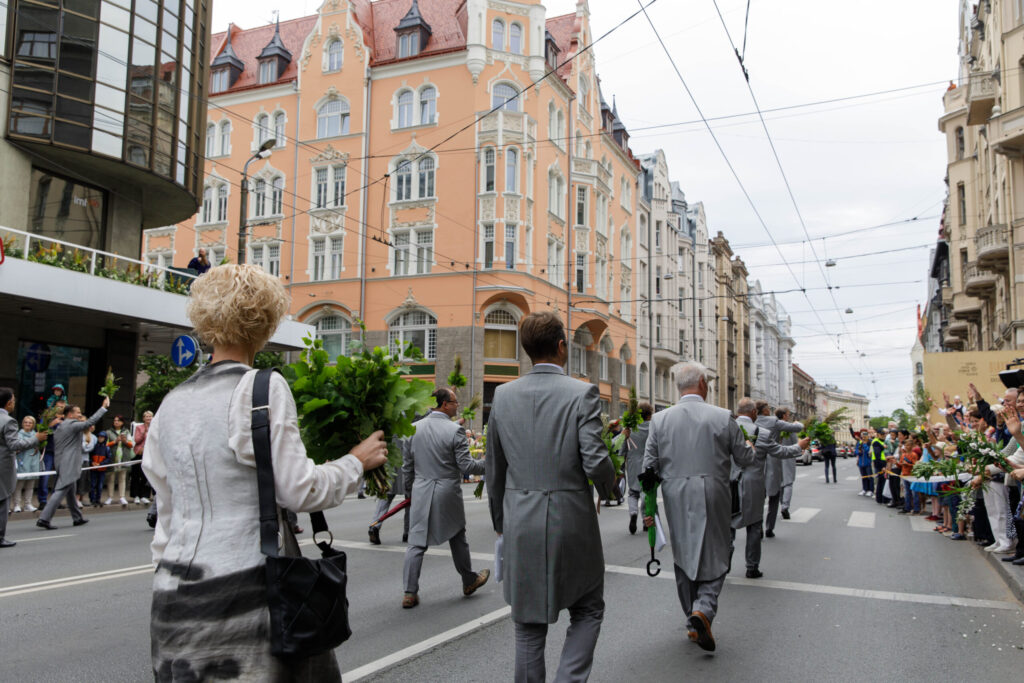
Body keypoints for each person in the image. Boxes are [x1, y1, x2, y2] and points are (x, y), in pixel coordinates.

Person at [143, 264, 388, 681]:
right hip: (247, 594)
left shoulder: (172, 402)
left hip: (173, 598)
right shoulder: (262, 387)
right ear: (266, 322)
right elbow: (300, 491)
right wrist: (355, 463)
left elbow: (165, 512)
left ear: (204, 321)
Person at [486, 311, 616, 681]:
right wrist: (611, 486)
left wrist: (501, 523)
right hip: (571, 516)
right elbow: (595, 460)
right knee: (588, 608)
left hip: (521, 519)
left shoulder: (503, 395)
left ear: (527, 350)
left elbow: (495, 469)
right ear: (562, 347)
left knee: (527, 626)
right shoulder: (582, 392)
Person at [642, 362, 756, 652]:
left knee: (684, 553)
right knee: (719, 550)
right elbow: (744, 458)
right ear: (703, 384)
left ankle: (692, 617)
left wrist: (648, 510)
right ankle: (703, 609)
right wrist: (751, 448)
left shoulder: (660, 419)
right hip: (714, 490)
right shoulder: (722, 416)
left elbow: (648, 468)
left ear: (679, 386)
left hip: (675, 492)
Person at [401, 387, 489, 608]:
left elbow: (407, 468)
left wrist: (410, 491)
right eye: (455, 402)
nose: (457, 405)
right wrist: (491, 463)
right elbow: (467, 466)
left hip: (421, 489)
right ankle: (469, 580)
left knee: (416, 543)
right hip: (447, 490)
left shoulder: (412, 429)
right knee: (457, 536)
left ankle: (409, 592)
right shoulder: (454, 431)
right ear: (444, 404)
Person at [36, 398, 108, 530]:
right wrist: (103, 407)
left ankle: (77, 517)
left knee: (71, 491)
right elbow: (90, 422)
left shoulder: (61, 426)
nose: (80, 414)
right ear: (70, 414)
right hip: (69, 463)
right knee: (60, 491)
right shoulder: (71, 424)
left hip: (62, 462)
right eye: (77, 412)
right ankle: (44, 518)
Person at [1, 388, 49, 547]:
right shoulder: (9, 421)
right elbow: (14, 445)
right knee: (3, 501)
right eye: (13, 400)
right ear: (8, 403)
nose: (14, 403)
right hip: (3, 467)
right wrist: (36, 439)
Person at [763, 406, 807, 535]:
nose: (789, 416)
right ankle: (785, 506)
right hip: (786, 457)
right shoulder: (787, 428)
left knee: (775, 485)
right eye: (788, 414)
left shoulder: (769, 426)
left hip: (772, 458)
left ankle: (779, 507)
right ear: (783, 416)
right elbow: (795, 441)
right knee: (787, 482)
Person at [368, 436, 409, 545]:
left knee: (386, 495)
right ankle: (408, 532)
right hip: (406, 458)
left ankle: (374, 525)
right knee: (410, 498)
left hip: (390, 457)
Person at [622, 401, 654, 535]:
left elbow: (622, 446)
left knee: (632, 493)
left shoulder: (630, 428)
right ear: (649, 415)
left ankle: (633, 512)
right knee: (646, 493)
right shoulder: (653, 427)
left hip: (633, 464)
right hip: (649, 464)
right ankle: (646, 521)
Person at [104, 415, 133, 506]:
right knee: (111, 478)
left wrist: (125, 442)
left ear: (122, 422)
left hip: (123, 457)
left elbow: (131, 445)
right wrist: (115, 442)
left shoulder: (126, 431)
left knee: (122, 478)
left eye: (118, 420)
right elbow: (105, 445)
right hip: (112, 457)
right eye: (115, 420)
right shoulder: (108, 432)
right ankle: (110, 497)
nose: (116, 422)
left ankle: (122, 497)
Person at [130, 411, 153, 504]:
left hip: (150, 453)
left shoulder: (155, 428)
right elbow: (137, 440)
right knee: (136, 475)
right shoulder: (139, 427)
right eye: (146, 416)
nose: (148, 418)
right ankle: (136, 495)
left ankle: (145, 495)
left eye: (150, 416)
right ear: (143, 418)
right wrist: (144, 432)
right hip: (139, 453)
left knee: (146, 475)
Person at [89, 431, 110, 507]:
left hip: (102, 469)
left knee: (100, 485)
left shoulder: (106, 448)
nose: (100, 438)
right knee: (93, 484)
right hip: (94, 469)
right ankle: (92, 499)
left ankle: (98, 499)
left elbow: (108, 459)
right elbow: (90, 457)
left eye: (102, 437)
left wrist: (101, 464)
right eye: (99, 437)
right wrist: (92, 462)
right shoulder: (94, 447)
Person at [851, 428, 873, 496]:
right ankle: (864, 489)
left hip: (868, 462)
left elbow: (868, 451)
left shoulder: (870, 442)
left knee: (869, 477)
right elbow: (856, 451)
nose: (863, 437)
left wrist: (864, 444)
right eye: (862, 436)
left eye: (865, 435)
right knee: (863, 477)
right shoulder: (859, 442)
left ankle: (870, 490)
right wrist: (858, 452)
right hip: (861, 462)